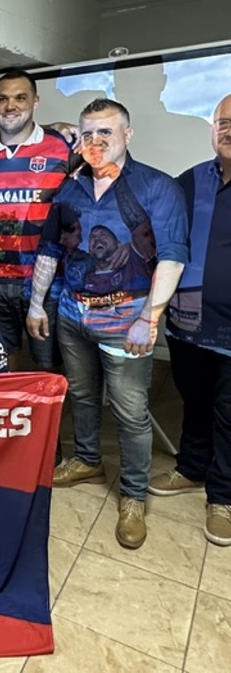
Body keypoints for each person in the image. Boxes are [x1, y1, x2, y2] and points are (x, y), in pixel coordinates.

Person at [27, 98, 188, 550]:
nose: (95, 142)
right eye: (88, 134)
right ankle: (87, 460)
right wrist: (37, 305)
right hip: (72, 315)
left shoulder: (157, 187)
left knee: (130, 411)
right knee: (80, 394)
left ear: (127, 135)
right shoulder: (70, 189)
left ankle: (134, 497)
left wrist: (149, 318)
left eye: (106, 133)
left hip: (127, 321)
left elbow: (172, 257)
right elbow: (50, 251)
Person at [148, 94, 231, 547]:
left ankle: (225, 498)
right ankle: (192, 468)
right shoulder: (190, 181)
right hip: (187, 323)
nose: (228, 130)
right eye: (222, 122)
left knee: (229, 414)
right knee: (194, 401)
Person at [0, 70, 71, 371]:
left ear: (35, 102)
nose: (10, 106)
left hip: (46, 281)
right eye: (2, 99)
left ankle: (48, 419)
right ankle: (4, 419)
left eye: (20, 98)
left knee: (49, 366)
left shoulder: (62, 147)